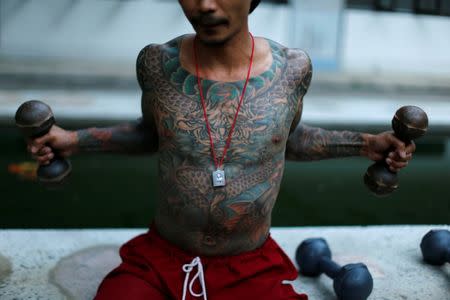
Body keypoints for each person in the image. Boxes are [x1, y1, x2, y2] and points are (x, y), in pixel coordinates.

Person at [26, 0, 416, 299]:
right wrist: (72, 141)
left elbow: (288, 139)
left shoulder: (292, 70)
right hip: (162, 258)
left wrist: (367, 144)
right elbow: (152, 134)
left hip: (250, 265)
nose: (206, 6)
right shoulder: (156, 65)